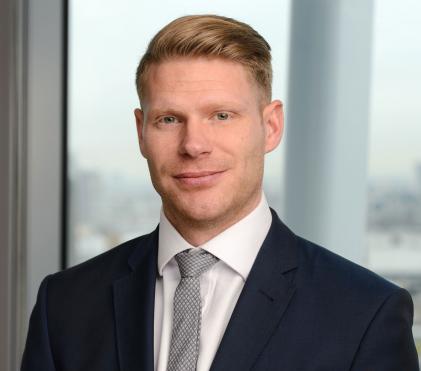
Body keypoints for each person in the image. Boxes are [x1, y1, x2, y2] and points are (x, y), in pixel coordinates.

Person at [21, 14, 419, 371]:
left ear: (271, 126)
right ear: (141, 132)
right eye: (169, 119)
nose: (194, 144)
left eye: (222, 116)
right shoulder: (65, 305)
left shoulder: (364, 314)